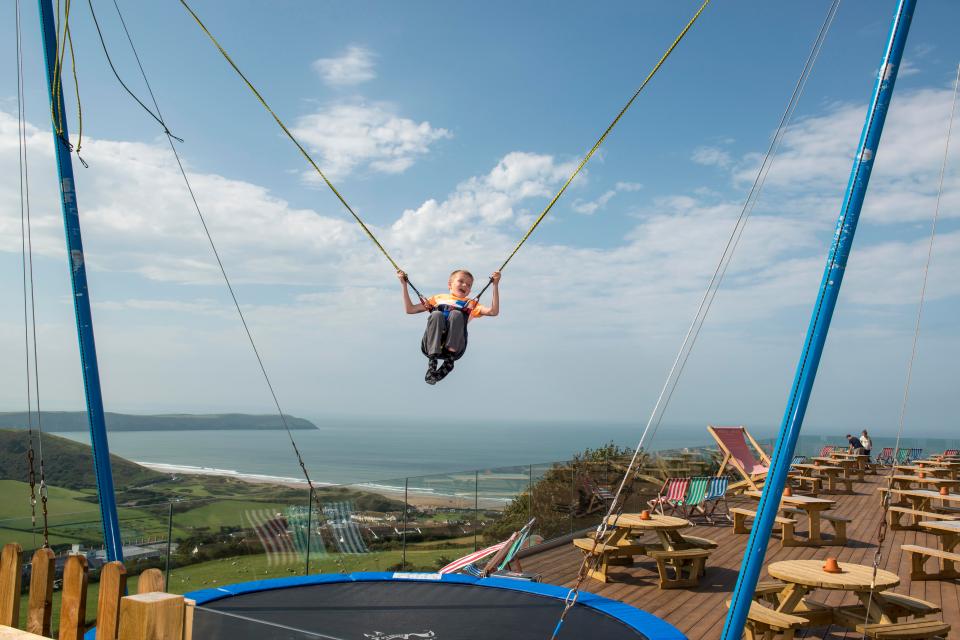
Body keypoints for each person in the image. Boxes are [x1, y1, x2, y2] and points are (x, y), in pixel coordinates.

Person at [399, 269, 500, 384]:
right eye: (461, 281)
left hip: (454, 347)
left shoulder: (471, 304)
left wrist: (495, 285)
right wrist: (404, 284)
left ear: (470, 290)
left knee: (456, 314)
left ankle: (449, 361)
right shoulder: (437, 299)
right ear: (449, 285)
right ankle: (432, 363)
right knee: (436, 314)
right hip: (433, 343)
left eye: (468, 285)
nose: (464, 285)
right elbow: (410, 309)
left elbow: (493, 312)